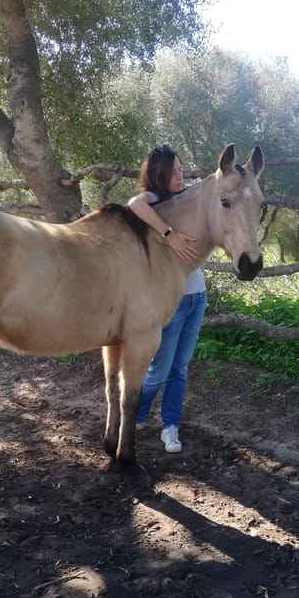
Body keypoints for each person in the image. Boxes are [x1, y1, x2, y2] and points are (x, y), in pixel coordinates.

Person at [128, 145, 207, 453]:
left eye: (181, 169)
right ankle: (137, 412)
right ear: (159, 173)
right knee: (159, 370)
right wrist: (169, 233)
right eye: (173, 170)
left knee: (180, 368)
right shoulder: (155, 201)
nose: (179, 175)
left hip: (197, 297)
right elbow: (134, 203)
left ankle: (170, 425)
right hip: (171, 302)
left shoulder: (185, 200)